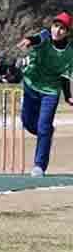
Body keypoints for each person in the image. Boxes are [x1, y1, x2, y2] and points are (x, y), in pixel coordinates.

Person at [15, 12, 73, 177]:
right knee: (28, 122)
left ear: (67, 32)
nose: (58, 31)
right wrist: (28, 40)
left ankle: (39, 166)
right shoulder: (45, 36)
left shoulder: (70, 52)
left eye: (62, 28)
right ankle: (46, 132)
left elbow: (65, 75)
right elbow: (36, 39)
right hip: (31, 85)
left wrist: (68, 95)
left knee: (43, 126)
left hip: (51, 91)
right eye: (56, 26)